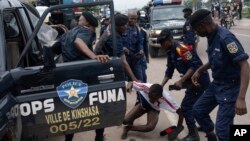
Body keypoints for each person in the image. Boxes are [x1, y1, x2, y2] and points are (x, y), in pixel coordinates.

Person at [190, 9, 250, 141]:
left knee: (223, 131)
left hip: (230, 87)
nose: (196, 33)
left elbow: (244, 65)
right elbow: (215, 58)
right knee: (198, 111)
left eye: (196, 30)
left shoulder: (226, 38)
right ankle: (212, 136)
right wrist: (200, 69)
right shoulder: (211, 36)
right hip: (216, 84)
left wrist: (241, 98)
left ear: (202, 25)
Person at [59, 11, 109, 141]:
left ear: (87, 21)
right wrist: (94, 56)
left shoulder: (69, 33)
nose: (78, 22)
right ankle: (99, 137)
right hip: (84, 75)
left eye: (80, 19)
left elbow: (55, 48)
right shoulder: (85, 31)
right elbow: (78, 42)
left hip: (68, 77)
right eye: (80, 20)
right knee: (96, 108)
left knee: (72, 112)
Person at [158, 28, 210, 141]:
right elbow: (169, 71)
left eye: (163, 43)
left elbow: (194, 66)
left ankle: (193, 135)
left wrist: (181, 81)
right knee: (198, 105)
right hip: (191, 81)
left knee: (186, 107)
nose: (162, 46)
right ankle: (206, 126)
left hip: (199, 80)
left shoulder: (182, 49)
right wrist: (160, 86)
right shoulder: (170, 52)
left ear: (169, 40)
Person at [95, 13, 139, 82]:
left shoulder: (111, 28)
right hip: (102, 64)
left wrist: (122, 48)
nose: (126, 27)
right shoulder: (114, 37)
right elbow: (124, 62)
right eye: (125, 25)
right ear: (119, 26)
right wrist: (134, 79)